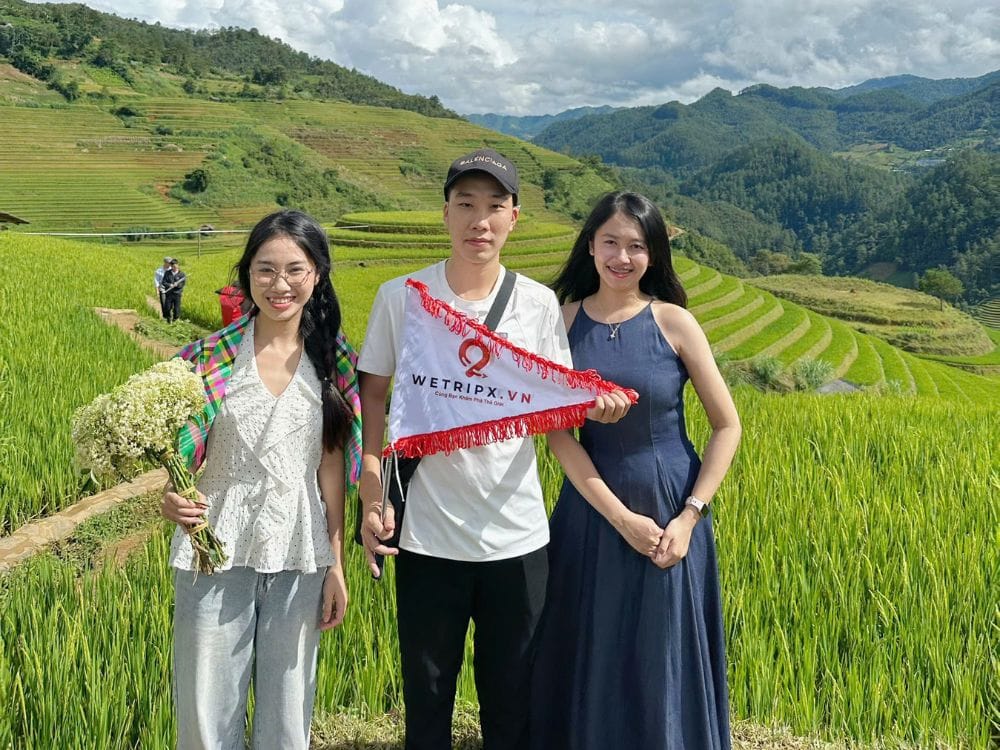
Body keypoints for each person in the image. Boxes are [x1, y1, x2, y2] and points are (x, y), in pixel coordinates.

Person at [357, 149, 631, 749]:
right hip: (427, 536)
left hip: (516, 537)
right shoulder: (402, 297)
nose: (478, 221)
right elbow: (372, 396)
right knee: (427, 697)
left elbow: (555, 403)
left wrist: (596, 404)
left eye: (494, 206)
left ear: (514, 217)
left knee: (512, 703)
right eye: (465, 204)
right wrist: (371, 487)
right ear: (445, 213)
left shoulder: (536, 304)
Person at [530, 192, 742, 749]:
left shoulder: (675, 322)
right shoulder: (562, 323)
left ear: (654, 254)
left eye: (637, 246)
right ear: (590, 245)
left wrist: (690, 516)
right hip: (591, 507)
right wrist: (620, 517)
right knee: (589, 640)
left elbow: (727, 426)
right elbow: (558, 434)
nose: (621, 257)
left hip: (670, 505)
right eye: (610, 242)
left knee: (660, 647)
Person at [159, 210, 362, 750]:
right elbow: (179, 454)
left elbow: (330, 469)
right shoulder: (208, 358)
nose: (280, 284)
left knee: (289, 713)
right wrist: (172, 498)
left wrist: (336, 563)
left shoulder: (334, 361)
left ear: (317, 274)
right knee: (205, 710)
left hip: (300, 547)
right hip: (213, 545)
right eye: (265, 269)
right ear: (247, 273)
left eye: (295, 270)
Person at [161, 258, 187, 323]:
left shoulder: (182, 274)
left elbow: (183, 284)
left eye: (175, 266)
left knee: (176, 308)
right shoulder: (167, 273)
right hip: (169, 293)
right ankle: (168, 319)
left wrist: (177, 285)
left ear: (178, 265)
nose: (174, 268)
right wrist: (169, 285)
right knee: (167, 307)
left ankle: (175, 319)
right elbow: (164, 282)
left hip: (177, 294)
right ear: (171, 266)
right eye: (173, 267)